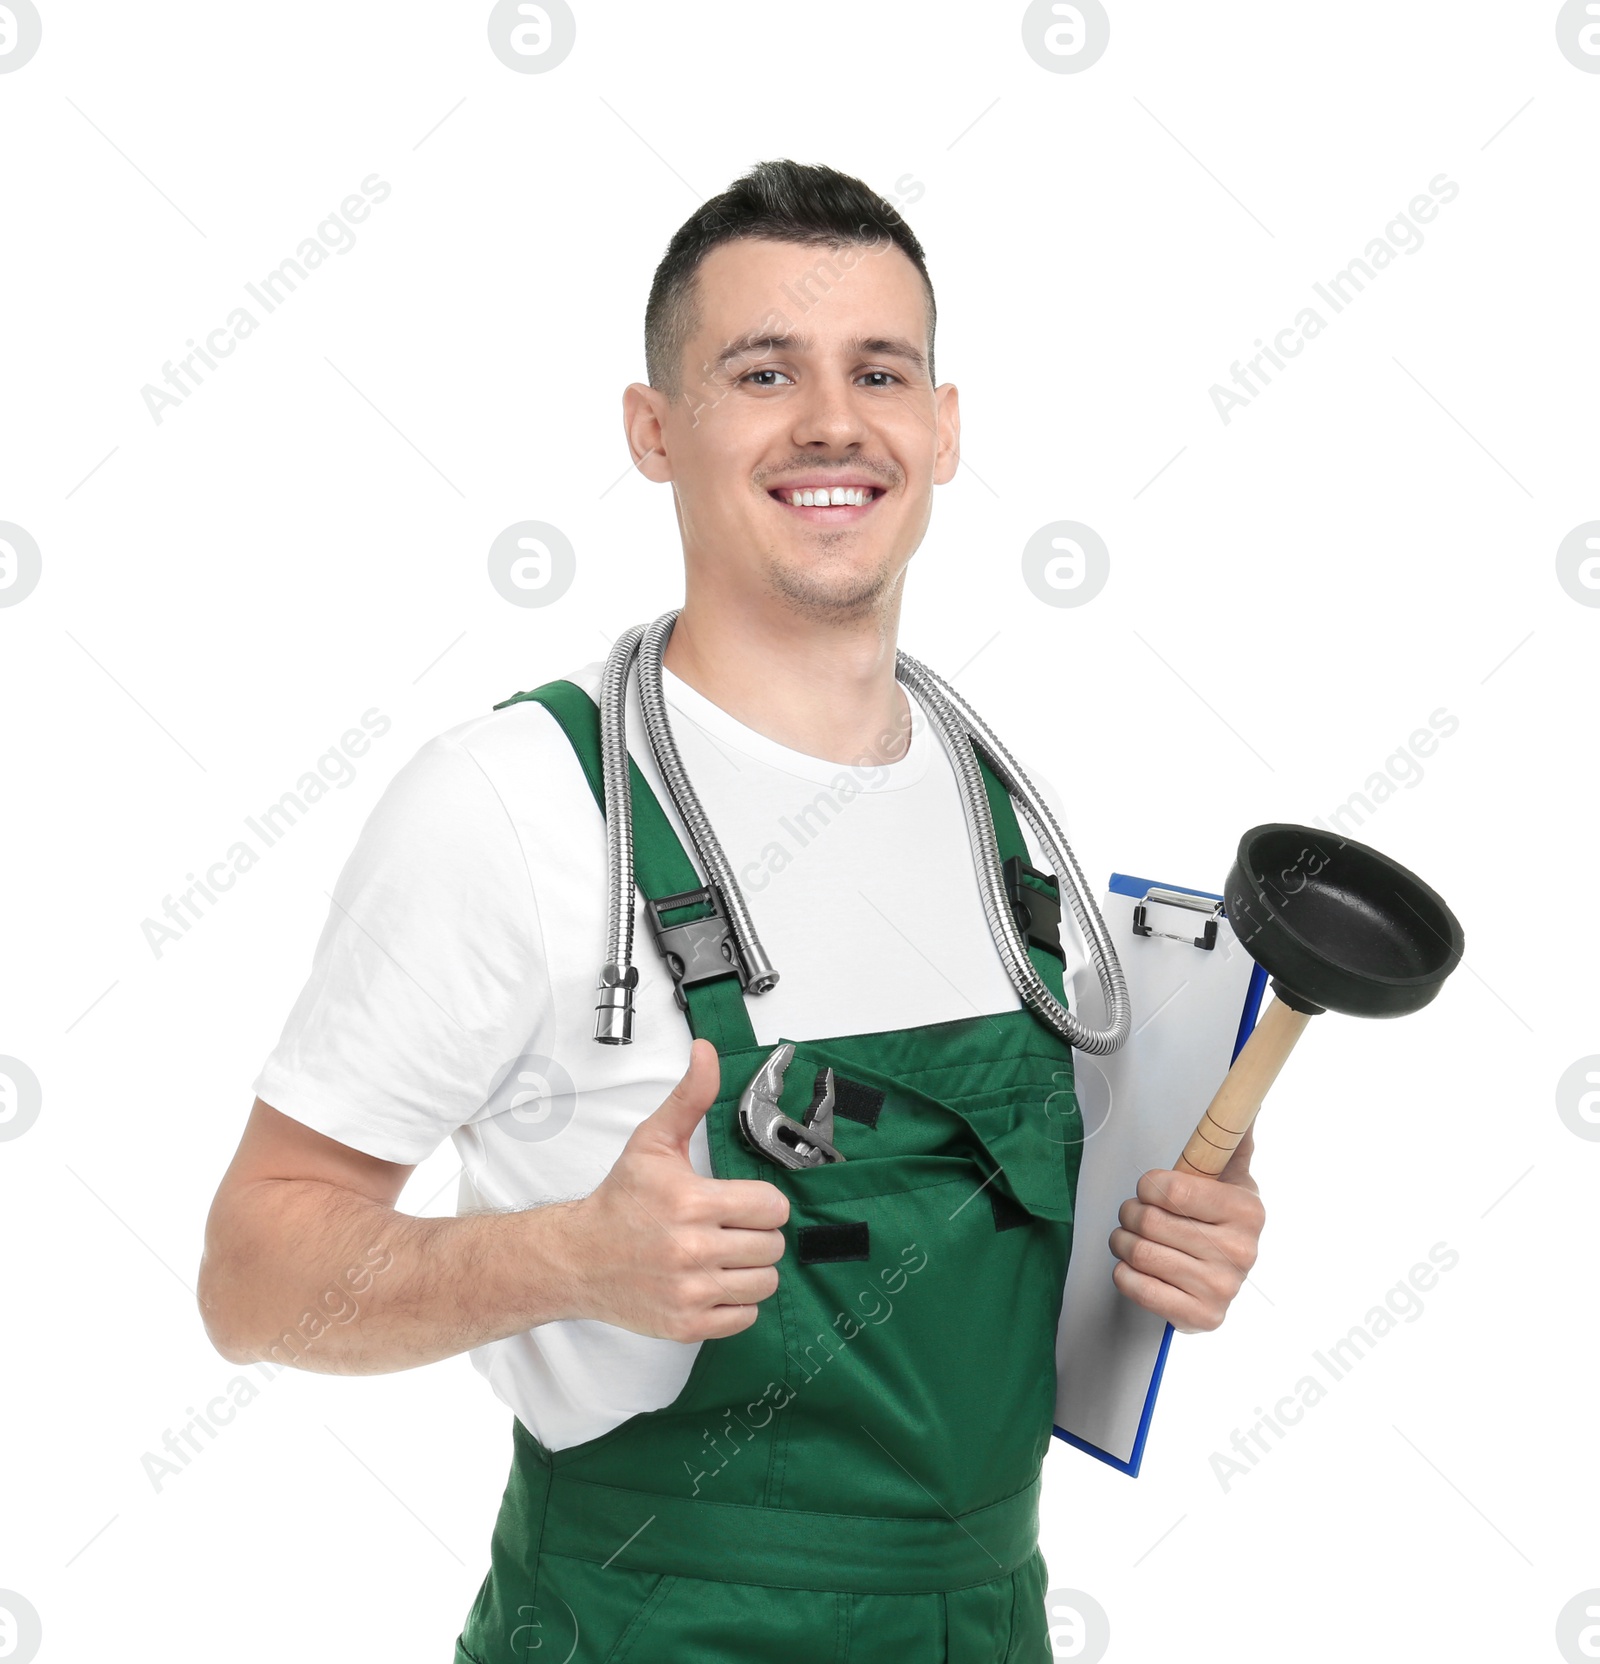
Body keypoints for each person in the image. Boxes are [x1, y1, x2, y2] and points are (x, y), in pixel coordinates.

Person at [198, 159, 1266, 1663]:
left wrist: (1174, 1245)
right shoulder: (518, 806)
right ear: (655, 430)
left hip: (987, 1624)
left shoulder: (1003, 815)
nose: (834, 421)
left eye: (880, 371)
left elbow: (1046, 1258)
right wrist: (564, 1259)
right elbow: (252, 1278)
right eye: (762, 372)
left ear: (943, 431)